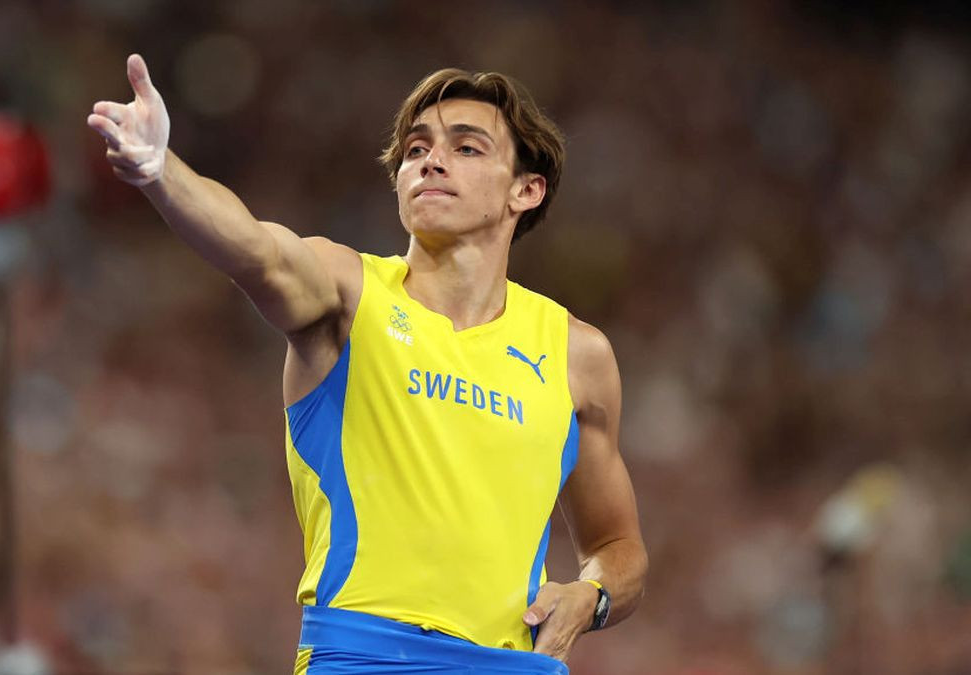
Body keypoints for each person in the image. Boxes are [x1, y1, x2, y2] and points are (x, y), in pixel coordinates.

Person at [87, 54, 647, 674]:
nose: (431, 160)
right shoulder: (349, 293)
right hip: (361, 656)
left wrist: (588, 597)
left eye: (466, 148)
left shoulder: (577, 354)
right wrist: (161, 170)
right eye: (415, 149)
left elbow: (618, 547)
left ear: (526, 189)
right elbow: (254, 250)